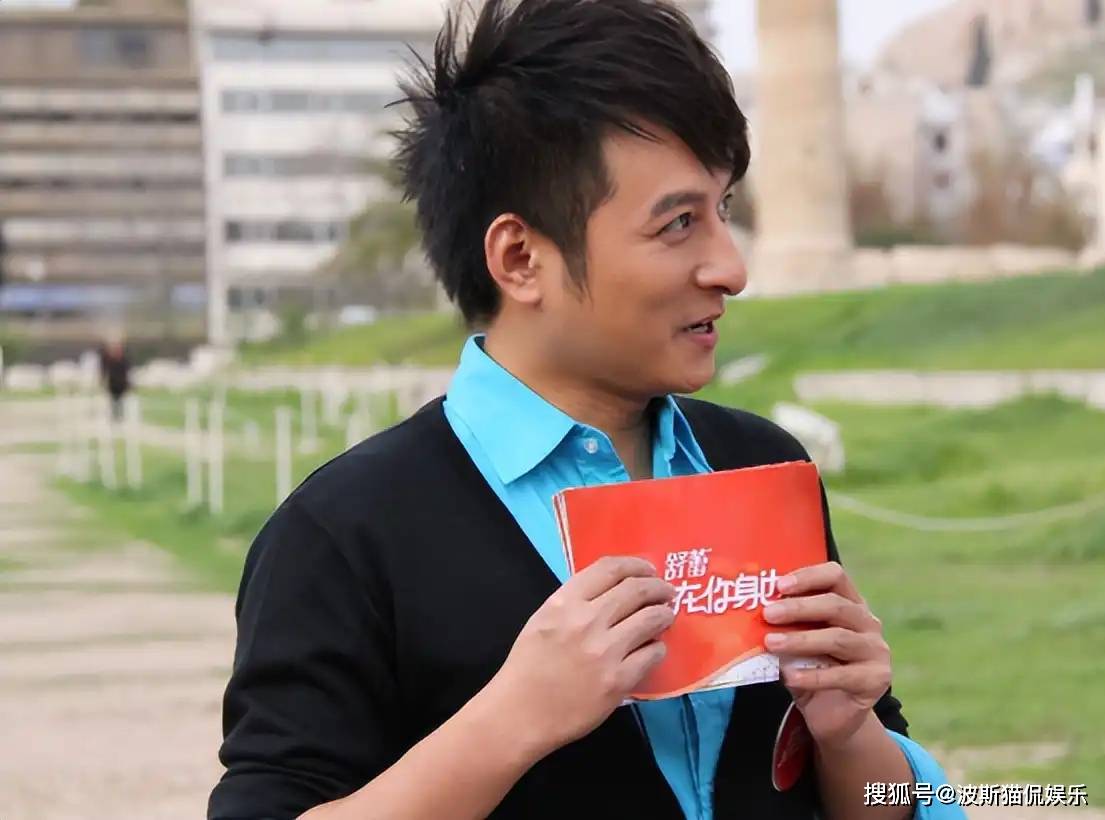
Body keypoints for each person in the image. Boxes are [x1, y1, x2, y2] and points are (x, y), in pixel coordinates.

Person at [208, 2, 964, 818]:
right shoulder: (343, 533)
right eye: (678, 223)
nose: (731, 268)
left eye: (724, 210)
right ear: (520, 258)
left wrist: (849, 732)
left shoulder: (762, 465)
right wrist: (511, 721)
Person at [98, 335, 130, 422]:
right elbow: (104, 370)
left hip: (121, 384)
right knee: (113, 400)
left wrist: (127, 383)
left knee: (120, 401)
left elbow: (127, 372)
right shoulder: (109, 359)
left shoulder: (124, 359)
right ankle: (114, 416)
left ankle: (120, 416)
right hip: (113, 383)